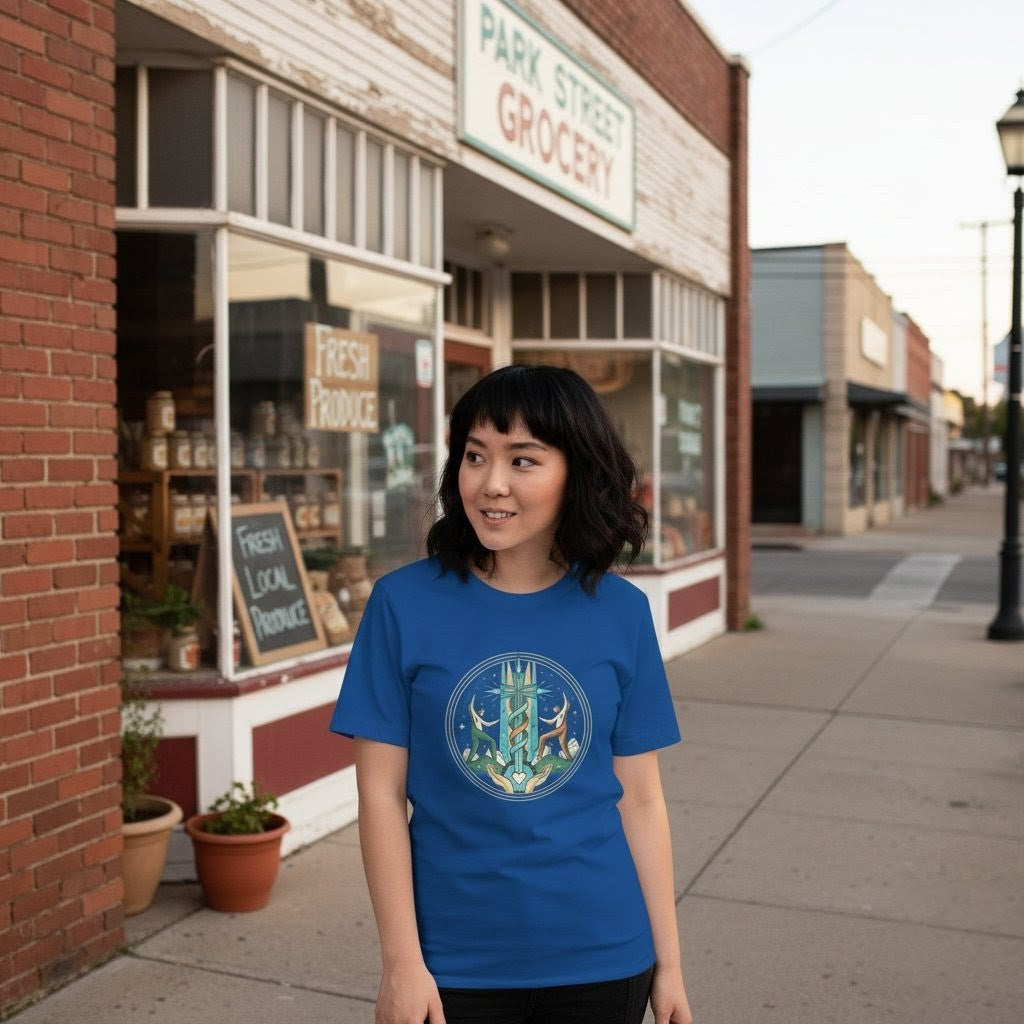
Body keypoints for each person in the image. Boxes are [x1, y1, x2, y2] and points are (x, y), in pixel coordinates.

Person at [330, 364, 693, 1024]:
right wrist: (401, 963)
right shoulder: (403, 605)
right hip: (453, 965)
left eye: (522, 460)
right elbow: (380, 795)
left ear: (575, 472)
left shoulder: (621, 612)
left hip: (605, 956)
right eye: (474, 456)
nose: (490, 483)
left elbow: (641, 798)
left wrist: (668, 965)